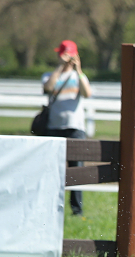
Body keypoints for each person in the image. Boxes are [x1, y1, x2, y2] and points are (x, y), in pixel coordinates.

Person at [42, 39, 92, 216]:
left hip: (75, 127)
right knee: (52, 168)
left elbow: (87, 93)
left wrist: (78, 69)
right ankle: (52, 204)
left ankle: (76, 208)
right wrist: (59, 68)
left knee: (77, 169)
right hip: (54, 127)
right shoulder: (51, 75)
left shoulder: (79, 77)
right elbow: (48, 87)